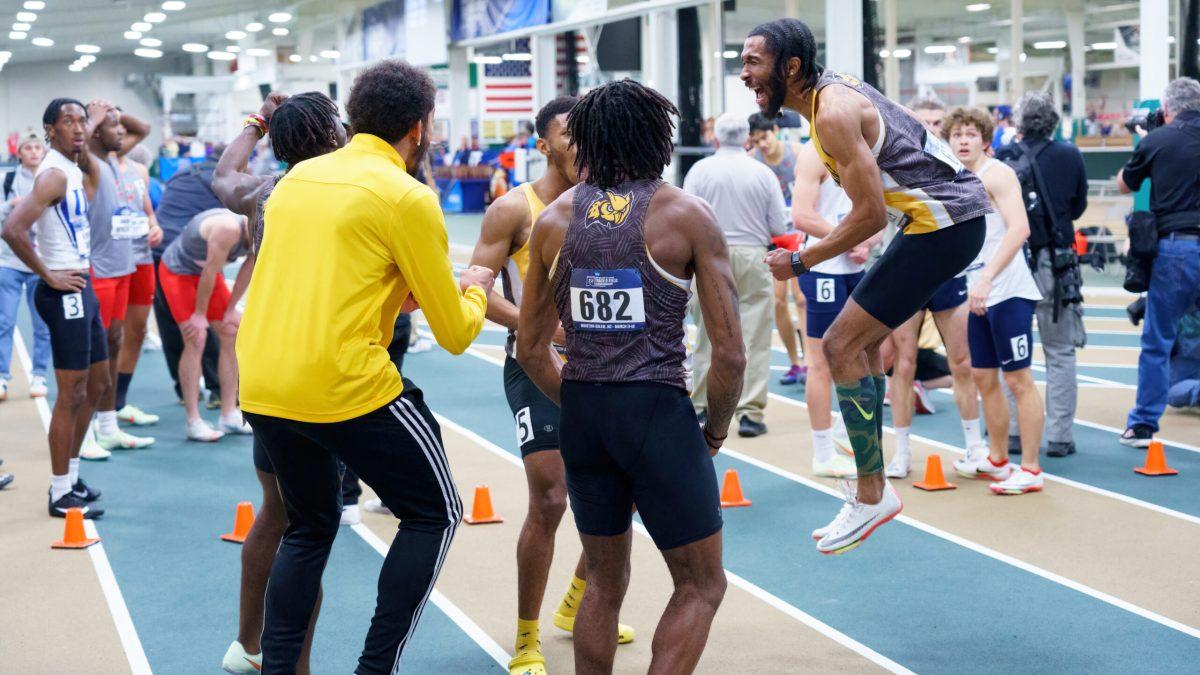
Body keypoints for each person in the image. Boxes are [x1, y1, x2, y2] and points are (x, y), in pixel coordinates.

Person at [236, 59, 494, 673]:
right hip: (342, 383)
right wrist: (478, 285)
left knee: (308, 526)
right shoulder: (407, 196)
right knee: (436, 511)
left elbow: (333, 276)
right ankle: (374, 668)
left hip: (264, 382)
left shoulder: (295, 180)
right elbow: (456, 333)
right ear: (421, 127)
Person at [517, 79, 743, 675]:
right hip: (657, 414)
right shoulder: (686, 216)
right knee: (701, 585)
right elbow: (731, 356)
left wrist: (585, 403)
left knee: (604, 582)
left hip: (584, 417)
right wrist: (714, 431)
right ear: (658, 139)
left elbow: (530, 349)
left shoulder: (553, 221)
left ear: (586, 140)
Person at [749, 19, 990, 553]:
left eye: (753, 63)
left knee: (837, 344)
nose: (744, 75)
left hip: (947, 225)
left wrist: (802, 259)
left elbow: (869, 216)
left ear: (791, 67)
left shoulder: (832, 113)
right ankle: (871, 485)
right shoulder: (827, 97)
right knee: (854, 346)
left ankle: (871, 491)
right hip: (939, 223)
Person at [470, 96, 636, 675]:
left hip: (606, 365)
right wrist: (536, 323)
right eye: (569, 133)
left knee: (620, 490)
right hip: (533, 363)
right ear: (544, 144)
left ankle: (577, 605)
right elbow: (478, 290)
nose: (581, 143)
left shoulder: (614, 204)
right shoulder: (513, 209)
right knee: (550, 496)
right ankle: (526, 638)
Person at [211, 90, 346, 675]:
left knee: (278, 510)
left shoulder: (266, 192)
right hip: (317, 372)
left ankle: (247, 646)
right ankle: (295, 665)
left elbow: (223, 174)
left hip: (266, 368)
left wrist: (257, 119)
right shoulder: (345, 190)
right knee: (310, 527)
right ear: (333, 137)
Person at [1, 98, 113, 518]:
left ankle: (73, 475)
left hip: (82, 286)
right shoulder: (51, 176)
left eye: (82, 120)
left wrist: (97, 118)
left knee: (99, 383)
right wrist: (48, 275)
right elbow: (11, 229)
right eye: (68, 121)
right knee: (72, 393)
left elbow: (93, 152)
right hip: (62, 290)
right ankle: (59, 491)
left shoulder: (73, 165)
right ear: (49, 129)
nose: (79, 127)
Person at [944, 106, 1045, 494]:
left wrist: (987, 277)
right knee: (984, 378)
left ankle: (1032, 469)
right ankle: (999, 459)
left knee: (1019, 381)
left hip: (1008, 290)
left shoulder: (997, 174)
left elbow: (1019, 228)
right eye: (957, 135)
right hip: (976, 290)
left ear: (985, 140)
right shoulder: (955, 180)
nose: (963, 140)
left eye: (971, 134)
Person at [882, 94, 984, 479]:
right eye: (922, 119)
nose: (930, 126)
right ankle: (902, 452)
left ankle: (974, 446)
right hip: (909, 264)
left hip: (947, 268)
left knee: (962, 359)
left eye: (936, 121)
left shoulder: (952, 162)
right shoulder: (894, 157)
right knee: (903, 362)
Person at [997, 91, 1088, 457]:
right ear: (1053, 121)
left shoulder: (1004, 158)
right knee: (1060, 350)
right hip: (1058, 262)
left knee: (1013, 353)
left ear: (1019, 122)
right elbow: (1078, 207)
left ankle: (1016, 433)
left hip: (1014, 261)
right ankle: (1060, 436)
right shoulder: (1070, 154)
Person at [684, 112, 786, 437]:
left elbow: (685, 216)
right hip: (754, 255)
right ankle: (751, 413)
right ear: (747, 140)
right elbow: (778, 227)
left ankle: (702, 406)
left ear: (715, 138)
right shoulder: (762, 173)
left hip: (709, 256)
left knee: (706, 332)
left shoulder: (699, 171)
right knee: (755, 335)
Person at [1117, 77, 1200, 446]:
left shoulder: (1158, 140)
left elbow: (1125, 184)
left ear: (1167, 109)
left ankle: (1144, 424)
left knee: (1158, 339)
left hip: (1176, 249)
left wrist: (1144, 139)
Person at [791, 141, 873, 478]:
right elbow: (802, 215)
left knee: (873, 353)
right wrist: (848, 238)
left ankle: (844, 433)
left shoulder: (864, 148)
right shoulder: (814, 153)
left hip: (856, 267)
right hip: (824, 268)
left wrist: (868, 241)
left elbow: (877, 209)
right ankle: (823, 453)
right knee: (821, 363)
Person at [85, 106, 157, 453]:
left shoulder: (114, 159)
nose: (121, 130)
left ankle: (108, 422)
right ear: (96, 133)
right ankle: (83, 436)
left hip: (123, 264)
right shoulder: (87, 161)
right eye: (113, 126)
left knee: (114, 342)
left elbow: (142, 127)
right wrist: (96, 118)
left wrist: (111, 112)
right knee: (92, 351)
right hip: (97, 268)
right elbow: (81, 142)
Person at [158, 205, 255, 442]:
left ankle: (229, 413)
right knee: (196, 337)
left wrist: (231, 309)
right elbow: (211, 272)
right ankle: (193, 421)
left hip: (205, 275)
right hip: (178, 272)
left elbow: (248, 267)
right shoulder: (227, 228)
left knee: (231, 331)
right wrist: (200, 315)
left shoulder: (264, 230)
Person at [152, 146, 225, 406]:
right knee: (206, 322)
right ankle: (218, 389)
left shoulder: (182, 172)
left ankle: (185, 391)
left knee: (171, 325)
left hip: (158, 251)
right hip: (184, 257)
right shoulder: (221, 179)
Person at [109, 115, 163, 428]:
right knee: (111, 336)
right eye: (113, 128)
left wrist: (154, 228)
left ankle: (119, 402)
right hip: (111, 261)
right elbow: (142, 128)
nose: (120, 132)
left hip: (141, 258)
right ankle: (101, 410)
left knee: (137, 331)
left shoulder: (139, 170)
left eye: (121, 128)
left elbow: (149, 214)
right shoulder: (96, 165)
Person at [748, 112, 808, 385]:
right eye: (757, 140)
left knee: (803, 298)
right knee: (778, 301)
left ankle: (810, 361)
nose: (762, 144)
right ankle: (795, 361)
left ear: (775, 130)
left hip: (799, 232)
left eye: (765, 137)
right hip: (772, 236)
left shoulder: (796, 153)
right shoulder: (752, 161)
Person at [0, 132, 52, 401]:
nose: (33, 151)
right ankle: (1, 377)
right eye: (28, 147)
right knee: (4, 321)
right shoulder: (7, 180)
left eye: (37, 147)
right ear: (19, 153)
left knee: (42, 323)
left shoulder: (52, 179)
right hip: (8, 261)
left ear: (44, 152)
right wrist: (11, 206)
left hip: (40, 262)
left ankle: (39, 374)